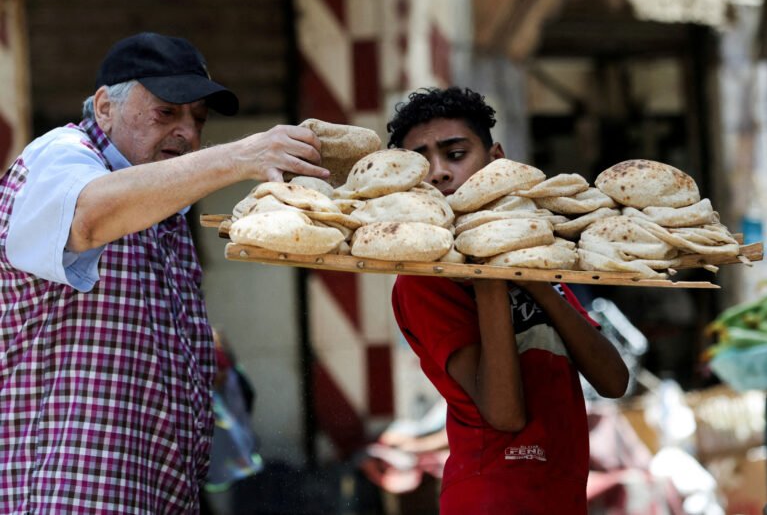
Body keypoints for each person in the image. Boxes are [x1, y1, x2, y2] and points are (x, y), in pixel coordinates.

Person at [0, 32, 327, 514]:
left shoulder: (164, 206)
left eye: (198, 118)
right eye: (166, 112)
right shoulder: (60, 155)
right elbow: (87, 217)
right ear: (104, 107)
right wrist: (242, 155)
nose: (188, 134)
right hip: (64, 497)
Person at [387, 87, 630, 514]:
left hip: (561, 493)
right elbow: (505, 414)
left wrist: (534, 277)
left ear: (496, 159)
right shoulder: (424, 281)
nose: (439, 173)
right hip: (491, 495)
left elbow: (613, 381)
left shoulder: (533, 255)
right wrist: (488, 279)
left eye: (456, 154)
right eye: (421, 165)